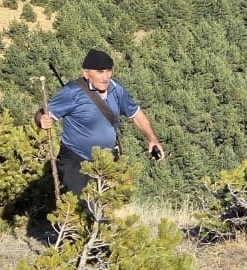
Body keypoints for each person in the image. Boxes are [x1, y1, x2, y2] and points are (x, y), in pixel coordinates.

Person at [36, 48, 164, 196]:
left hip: (106, 161)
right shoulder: (72, 92)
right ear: (85, 73)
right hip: (76, 160)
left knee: (105, 208)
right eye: (99, 72)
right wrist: (42, 120)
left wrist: (152, 139)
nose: (105, 77)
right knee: (79, 207)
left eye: (108, 71)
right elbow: (43, 113)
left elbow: (136, 114)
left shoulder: (117, 90)